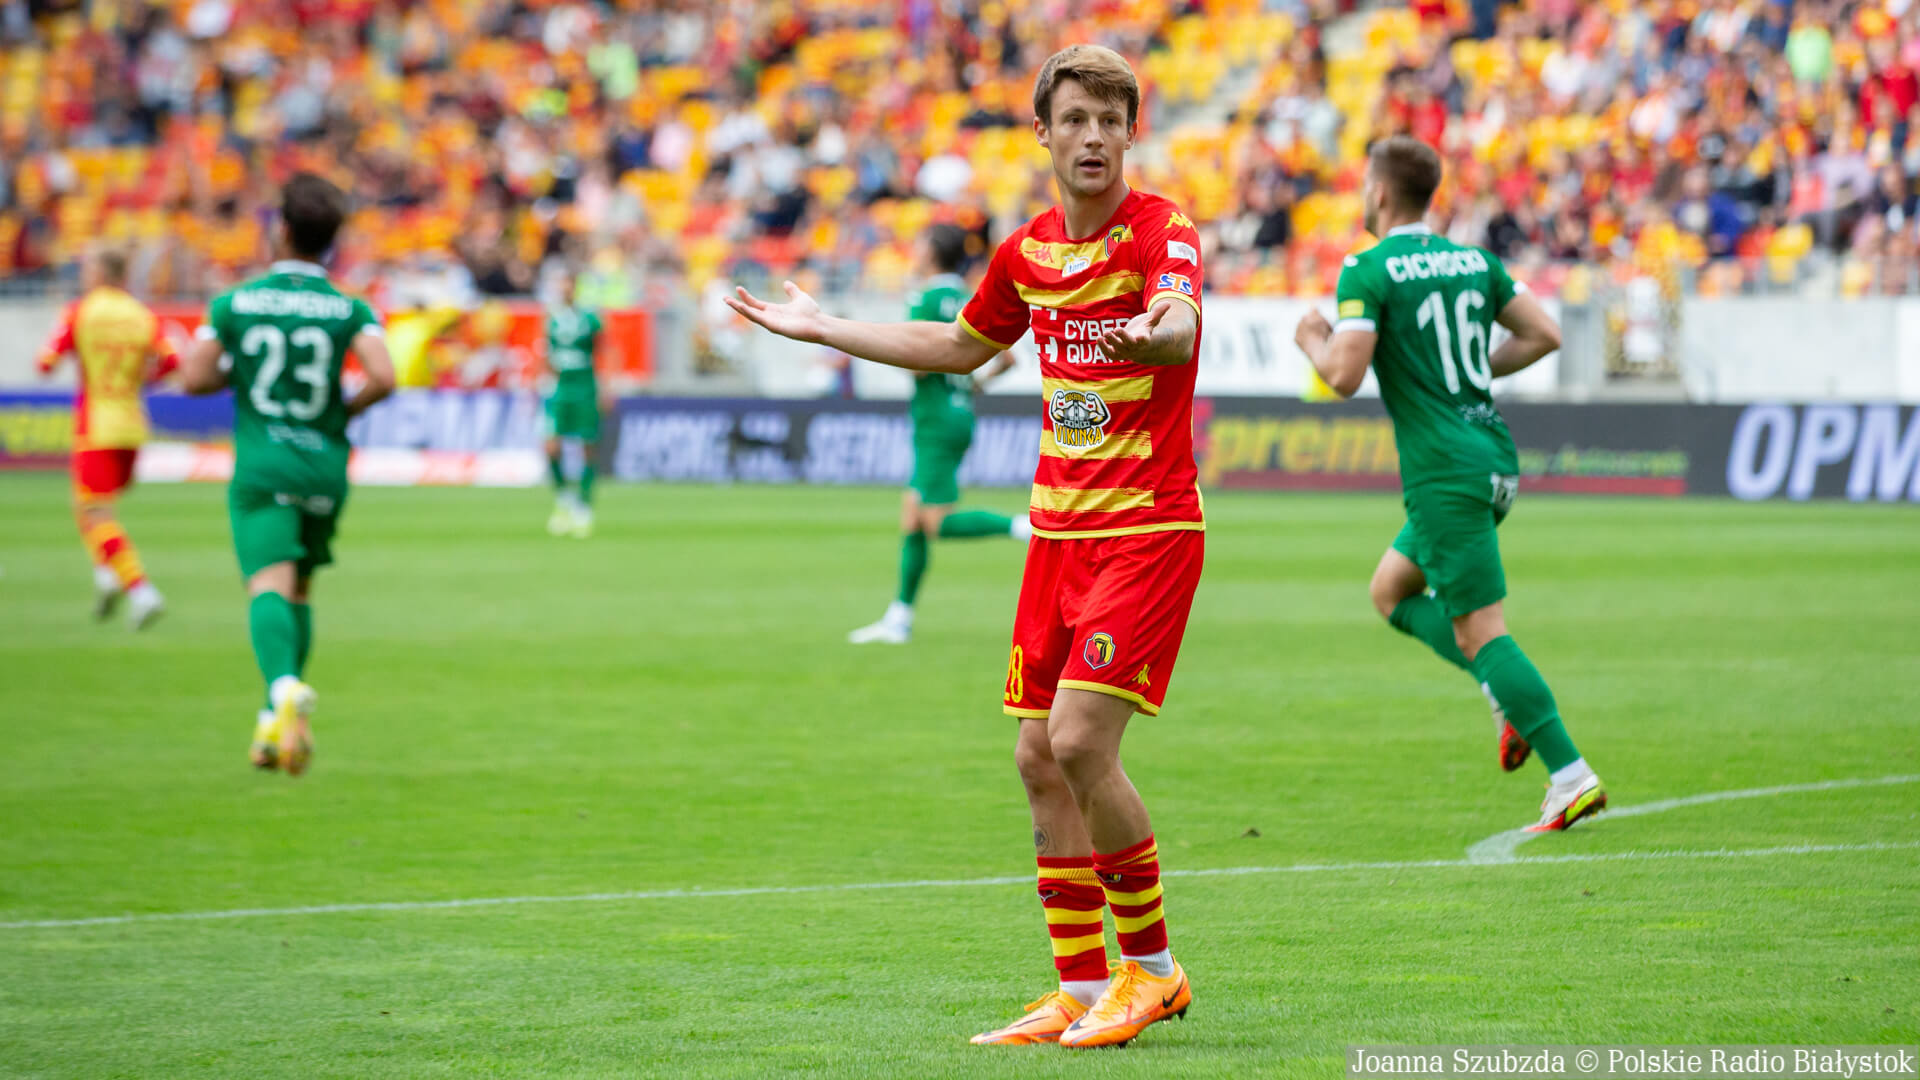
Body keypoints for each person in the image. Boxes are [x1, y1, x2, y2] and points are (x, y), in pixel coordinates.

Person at [728, 44, 1205, 1049]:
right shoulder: (1026, 253)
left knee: (1080, 741)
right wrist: (825, 329)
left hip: (1146, 528)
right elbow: (958, 346)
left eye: (1110, 120)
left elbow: (1175, 322)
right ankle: (1079, 986)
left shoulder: (1163, 230)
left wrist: (1149, 334)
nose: (1093, 137)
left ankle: (1154, 973)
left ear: (1131, 133)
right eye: (1074, 119)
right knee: (1037, 757)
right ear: (1043, 133)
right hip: (1059, 535)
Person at [1293, 135, 1606, 832]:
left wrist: (1311, 336)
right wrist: (1467, 371)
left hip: (1444, 473)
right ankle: (1504, 693)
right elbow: (1545, 334)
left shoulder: (1368, 268)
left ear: (1379, 192)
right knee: (1391, 590)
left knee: (1481, 632)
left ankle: (1571, 775)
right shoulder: (1475, 261)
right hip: (1492, 456)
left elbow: (1342, 374)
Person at [180, 173, 397, 776]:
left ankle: (280, 687)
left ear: (280, 230)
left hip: (264, 463)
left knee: (268, 586)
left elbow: (194, 377)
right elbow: (383, 376)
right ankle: (273, 722)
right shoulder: (350, 308)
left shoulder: (236, 302)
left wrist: (241, 372)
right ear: (332, 240)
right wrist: (342, 410)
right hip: (325, 464)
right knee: (300, 590)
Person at [847, 223, 1025, 645]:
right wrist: (970, 384)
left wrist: (874, 346)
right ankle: (899, 618)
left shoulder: (925, 298)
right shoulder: (969, 297)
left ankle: (1024, 527)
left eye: (920, 244)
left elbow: (917, 363)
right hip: (958, 412)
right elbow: (1008, 358)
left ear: (931, 252)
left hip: (934, 419)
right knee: (912, 515)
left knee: (934, 521)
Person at [36, 247, 179, 629]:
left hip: (97, 423)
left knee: (94, 512)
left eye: (87, 270)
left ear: (99, 274)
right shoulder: (141, 314)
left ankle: (140, 589)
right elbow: (171, 362)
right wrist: (140, 380)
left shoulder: (80, 311)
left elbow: (45, 363)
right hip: (132, 422)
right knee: (89, 504)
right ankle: (105, 574)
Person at [539, 269, 604, 538]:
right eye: (561, 285)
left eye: (568, 285)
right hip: (559, 389)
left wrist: (607, 387)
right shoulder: (551, 319)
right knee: (551, 446)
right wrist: (541, 382)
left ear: (575, 288)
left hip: (585, 388)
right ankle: (563, 499)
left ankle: (584, 506)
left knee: (588, 445)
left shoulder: (590, 318)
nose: (564, 289)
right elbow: (545, 353)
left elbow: (606, 350)